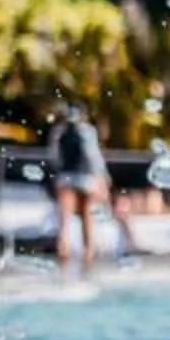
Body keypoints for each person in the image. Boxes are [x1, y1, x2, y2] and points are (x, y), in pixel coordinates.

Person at [44, 103, 112, 272]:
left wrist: (56, 175)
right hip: (86, 177)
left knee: (64, 221)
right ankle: (88, 252)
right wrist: (103, 177)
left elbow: (54, 156)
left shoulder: (59, 131)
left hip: (65, 177)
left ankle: (64, 256)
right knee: (86, 215)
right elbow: (93, 155)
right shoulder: (87, 130)